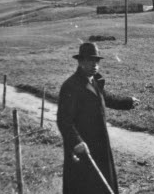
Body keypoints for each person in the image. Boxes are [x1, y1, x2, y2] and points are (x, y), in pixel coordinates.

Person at [57, 42, 140, 194]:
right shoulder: (71, 86)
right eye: (90, 60)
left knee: (101, 185)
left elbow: (106, 98)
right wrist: (77, 142)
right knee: (84, 186)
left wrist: (128, 102)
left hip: (99, 144)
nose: (94, 64)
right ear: (81, 62)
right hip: (83, 148)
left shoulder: (94, 82)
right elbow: (64, 120)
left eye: (97, 61)